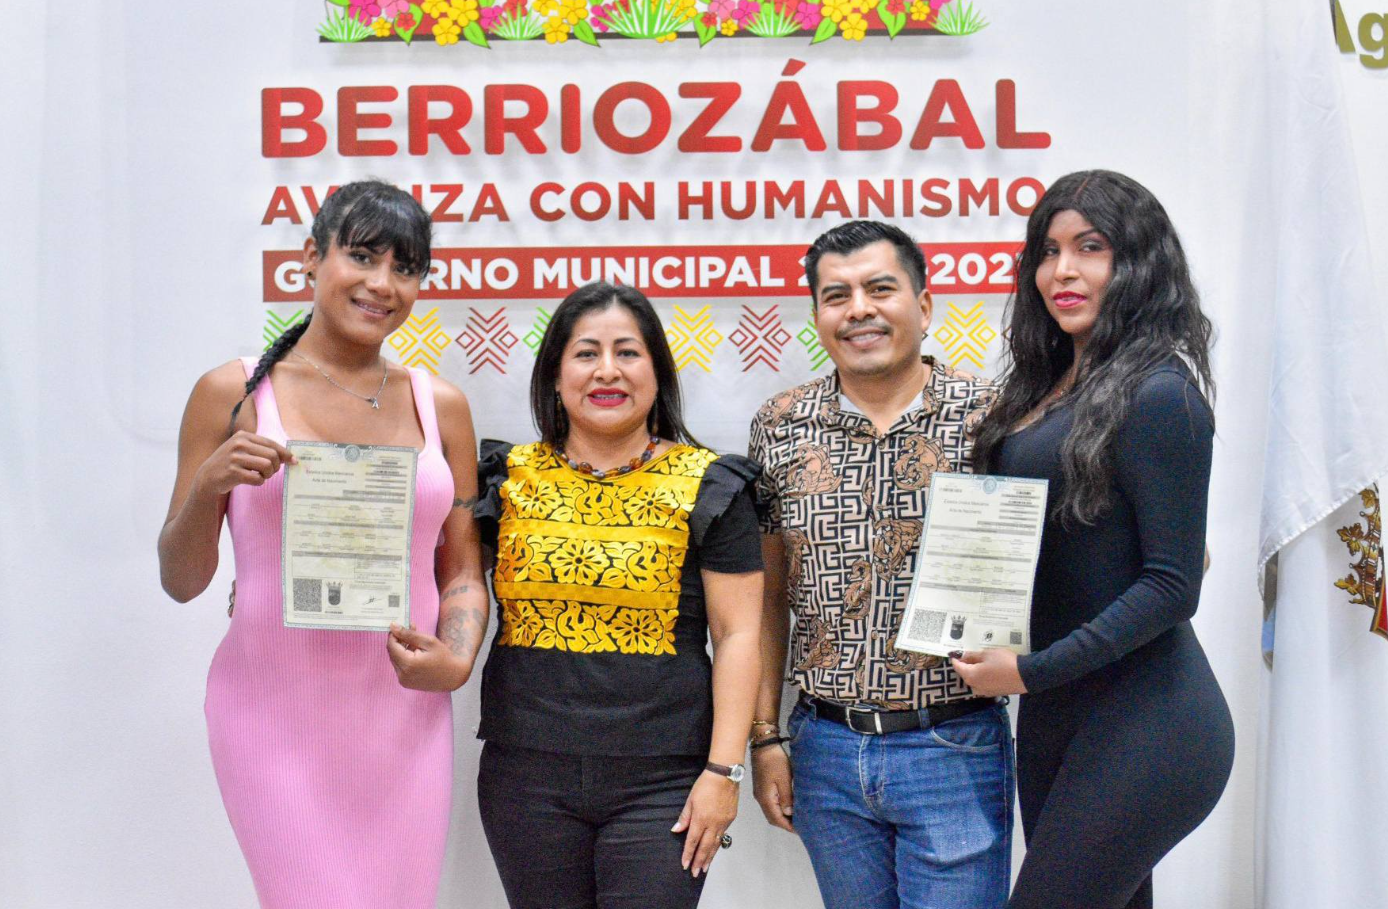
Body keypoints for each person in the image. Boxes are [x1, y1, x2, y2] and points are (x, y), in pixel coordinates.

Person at [157, 180, 489, 909]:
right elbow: (181, 580)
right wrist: (210, 485)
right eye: (362, 257)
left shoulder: (441, 406)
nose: (382, 284)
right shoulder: (233, 393)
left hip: (402, 714)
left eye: (405, 268)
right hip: (272, 714)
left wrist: (458, 657)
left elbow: (463, 566)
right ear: (311, 256)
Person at [961, 169, 1235, 909]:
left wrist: (1030, 671)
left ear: (1137, 262)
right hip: (1056, 710)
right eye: (1048, 251)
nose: (1063, 270)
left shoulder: (1161, 393)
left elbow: (1173, 585)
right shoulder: (1038, 390)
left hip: (1152, 717)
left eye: (1090, 247)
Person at [747, 221, 1013, 909]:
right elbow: (766, 598)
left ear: (923, 306)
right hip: (824, 747)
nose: (858, 309)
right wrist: (766, 737)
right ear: (817, 316)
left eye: (880, 289)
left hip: (954, 741)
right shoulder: (780, 425)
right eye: (836, 296)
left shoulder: (994, 420)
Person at [473, 281, 763, 909]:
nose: (607, 370)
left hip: (663, 780)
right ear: (555, 376)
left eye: (628, 352)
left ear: (658, 373)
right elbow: (454, 586)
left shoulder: (711, 485)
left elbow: (739, 635)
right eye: (586, 353)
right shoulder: (506, 479)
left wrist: (724, 772)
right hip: (525, 775)